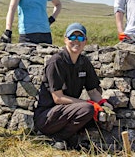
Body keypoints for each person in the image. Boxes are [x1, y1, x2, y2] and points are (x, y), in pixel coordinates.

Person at [34, 22, 114, 150]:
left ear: (85, 41)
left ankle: (74, 138)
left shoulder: (84, 62)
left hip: (68, 112)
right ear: (65, 39)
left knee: (98, 111)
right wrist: (89, 104)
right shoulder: (56, 62)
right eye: (72, 37)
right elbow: (58, 98)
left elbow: (93, 91)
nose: (76, 41)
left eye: (80, 37)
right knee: (87, 109)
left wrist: (104, 103)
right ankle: (57, 138)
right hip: (47, 116)